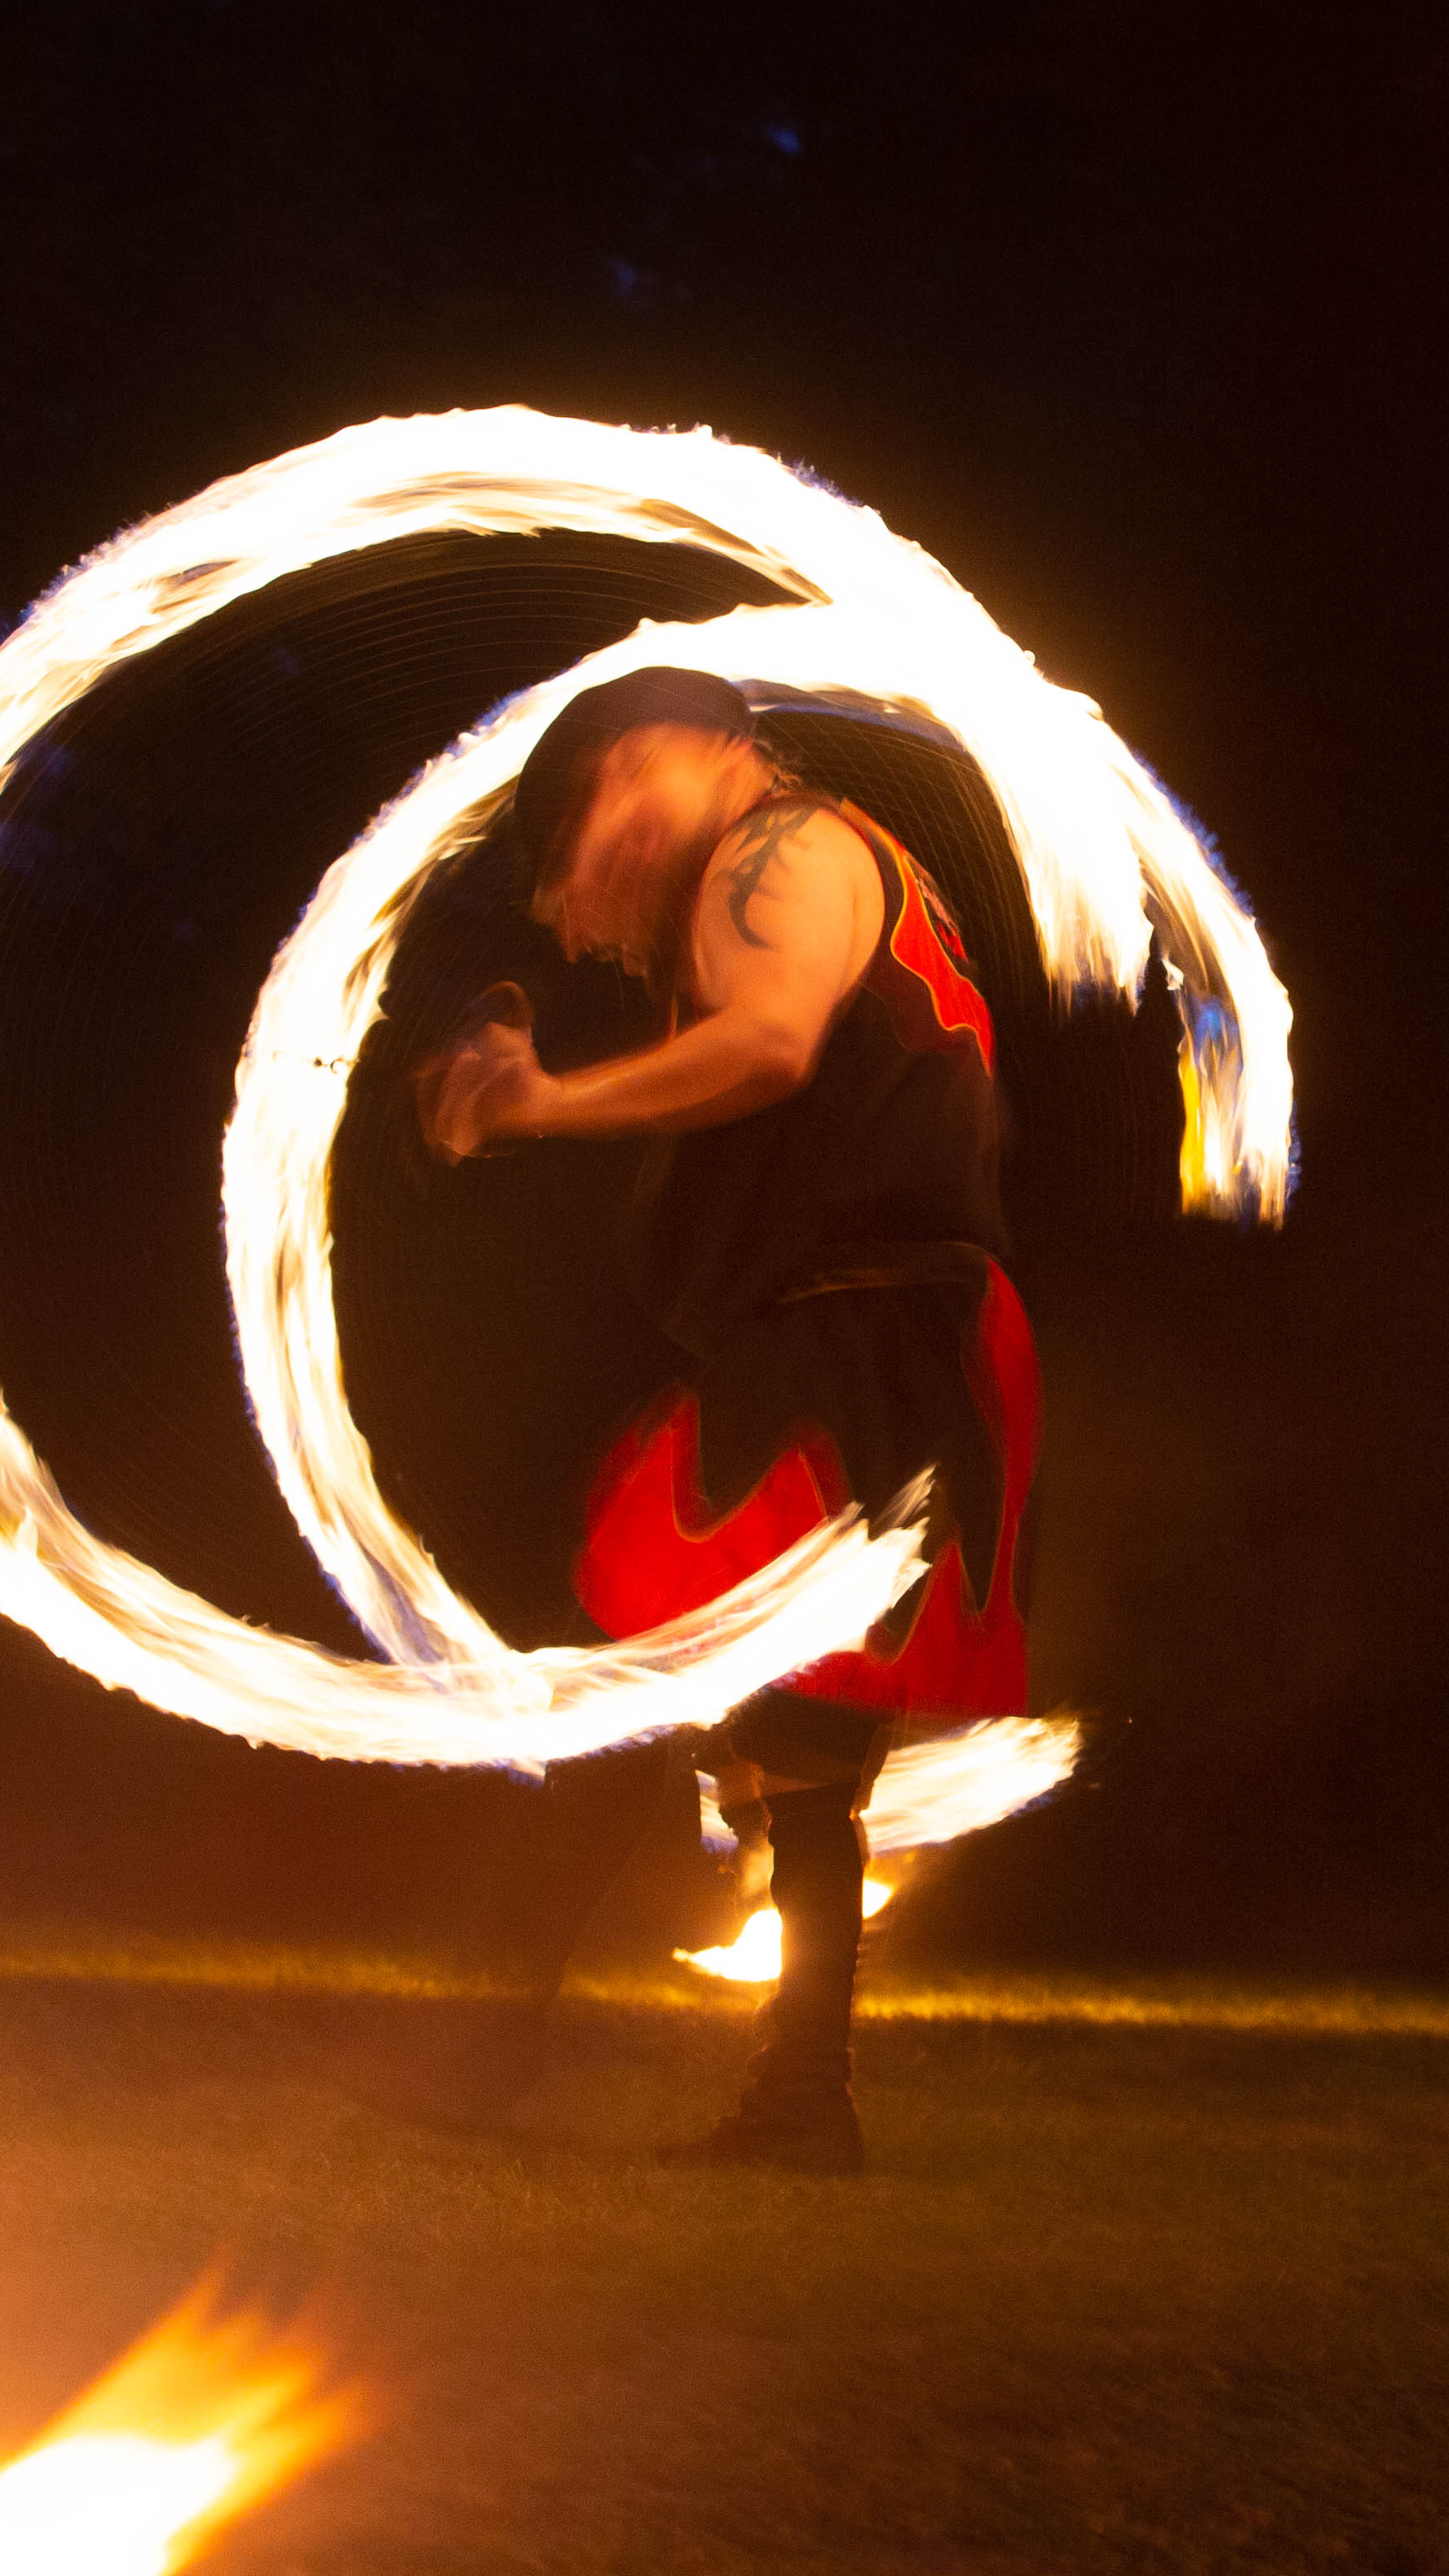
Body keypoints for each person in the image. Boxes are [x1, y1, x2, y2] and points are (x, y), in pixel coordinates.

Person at [415, 664, 1039, 2173]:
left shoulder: (785, 846)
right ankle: (794, 2100)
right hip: (870, 1334)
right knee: (780, 1728)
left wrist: (540, 1104)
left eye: (574, 862)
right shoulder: (793, 860)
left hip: (863, 1335)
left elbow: (770, 1044)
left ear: (653, 764)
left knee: (628, 1671)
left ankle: (496, 2049)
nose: (580, 919)